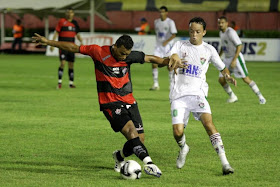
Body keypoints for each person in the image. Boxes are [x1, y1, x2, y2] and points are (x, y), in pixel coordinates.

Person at [32, 33, 185, 178]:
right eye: (122, 53)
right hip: (110, 104)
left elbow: (150, 58)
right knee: (131, 133)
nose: (124, 57)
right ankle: (149, 163)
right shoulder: (98, 52)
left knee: (139, 140)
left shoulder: (129, 56)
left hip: (130, 102)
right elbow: (73, 47)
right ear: (115, 46)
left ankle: (119, 156)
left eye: (127, 54)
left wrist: (169, 61)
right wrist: (49, 42)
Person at [167, 17, 236, 175]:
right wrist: (176, 58)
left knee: (209, 124)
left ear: (204, 32)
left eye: (198, 32)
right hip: (179, 96)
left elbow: (222, 67)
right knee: (177, 132)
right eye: (191, 31)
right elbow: (173, 56)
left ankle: (225, 163)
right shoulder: (179, 45)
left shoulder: (209, 50)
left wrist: (227, 76)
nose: (194, 35)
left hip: (198, 94)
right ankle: (184, 147)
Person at [218, 16, 266, 104]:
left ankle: (261, 97)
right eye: (219, 23)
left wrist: (234, 60)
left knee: (246, 79)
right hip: (227, 59)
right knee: (221, 79)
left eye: (222, 23)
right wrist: (218, 56)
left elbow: (239, 45)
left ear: (226, 23)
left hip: (236, 58)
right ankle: (233, 96)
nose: (220, 25)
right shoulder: (221, 33)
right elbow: (223, 45)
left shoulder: (231, 32)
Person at [50, 8, 83, 89]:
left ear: (73, 14)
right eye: (68, 12)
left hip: (71, 47)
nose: (69, 14)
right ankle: (59, 83)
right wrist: (52, 44)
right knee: (63, 63)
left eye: (71, 12)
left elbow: (77, 34)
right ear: (66, 14)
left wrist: (81, 42)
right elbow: (56, 33)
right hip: (63, 46)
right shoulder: (61, 21)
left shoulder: (75, 23)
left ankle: (71, 83)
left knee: (71, 65)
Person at [150, 5, 177, 90]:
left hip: (167, 46)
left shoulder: (170, 22)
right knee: (154, 63)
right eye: (160, 12)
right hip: (158, 46)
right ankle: (155, 84)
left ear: (166, 13)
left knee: (169, 65)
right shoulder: (156, 22)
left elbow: (174, 34)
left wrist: (166, 41)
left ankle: (172, 84)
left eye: (163, 12)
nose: (161, 14)